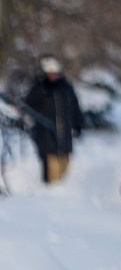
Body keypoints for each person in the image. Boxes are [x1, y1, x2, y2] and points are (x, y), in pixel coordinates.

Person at [22, 56, 83, 184]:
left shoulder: (66, 88)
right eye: (50, 73)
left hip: (64, 137)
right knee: (52, 175)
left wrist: (78, 126)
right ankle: (50, 191)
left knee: (65, 172)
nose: (53, 76)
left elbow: (75, 108)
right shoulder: (39, 88)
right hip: (46, 138)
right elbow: (27, 108)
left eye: (55, 73)